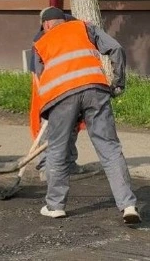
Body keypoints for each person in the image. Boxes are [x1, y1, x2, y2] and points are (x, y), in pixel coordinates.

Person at [32, 6, 140, 224]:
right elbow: (116, 48)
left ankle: (55, 206)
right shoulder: (84, 27)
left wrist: (50, 112)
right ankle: (128, 205)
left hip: (61, 97)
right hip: (95, 90)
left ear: (46, 24)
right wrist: (118, 82)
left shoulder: (41, 42)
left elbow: (39, 78)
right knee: (109, 148)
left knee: (57, 150)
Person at [29, 10, 96, 181]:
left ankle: (69, 163)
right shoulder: (42, 39)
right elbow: (39, 72)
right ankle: (45, 167)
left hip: (71, 85)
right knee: (49, 127)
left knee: (71, 126)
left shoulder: (72, 27)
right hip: (48, 87)